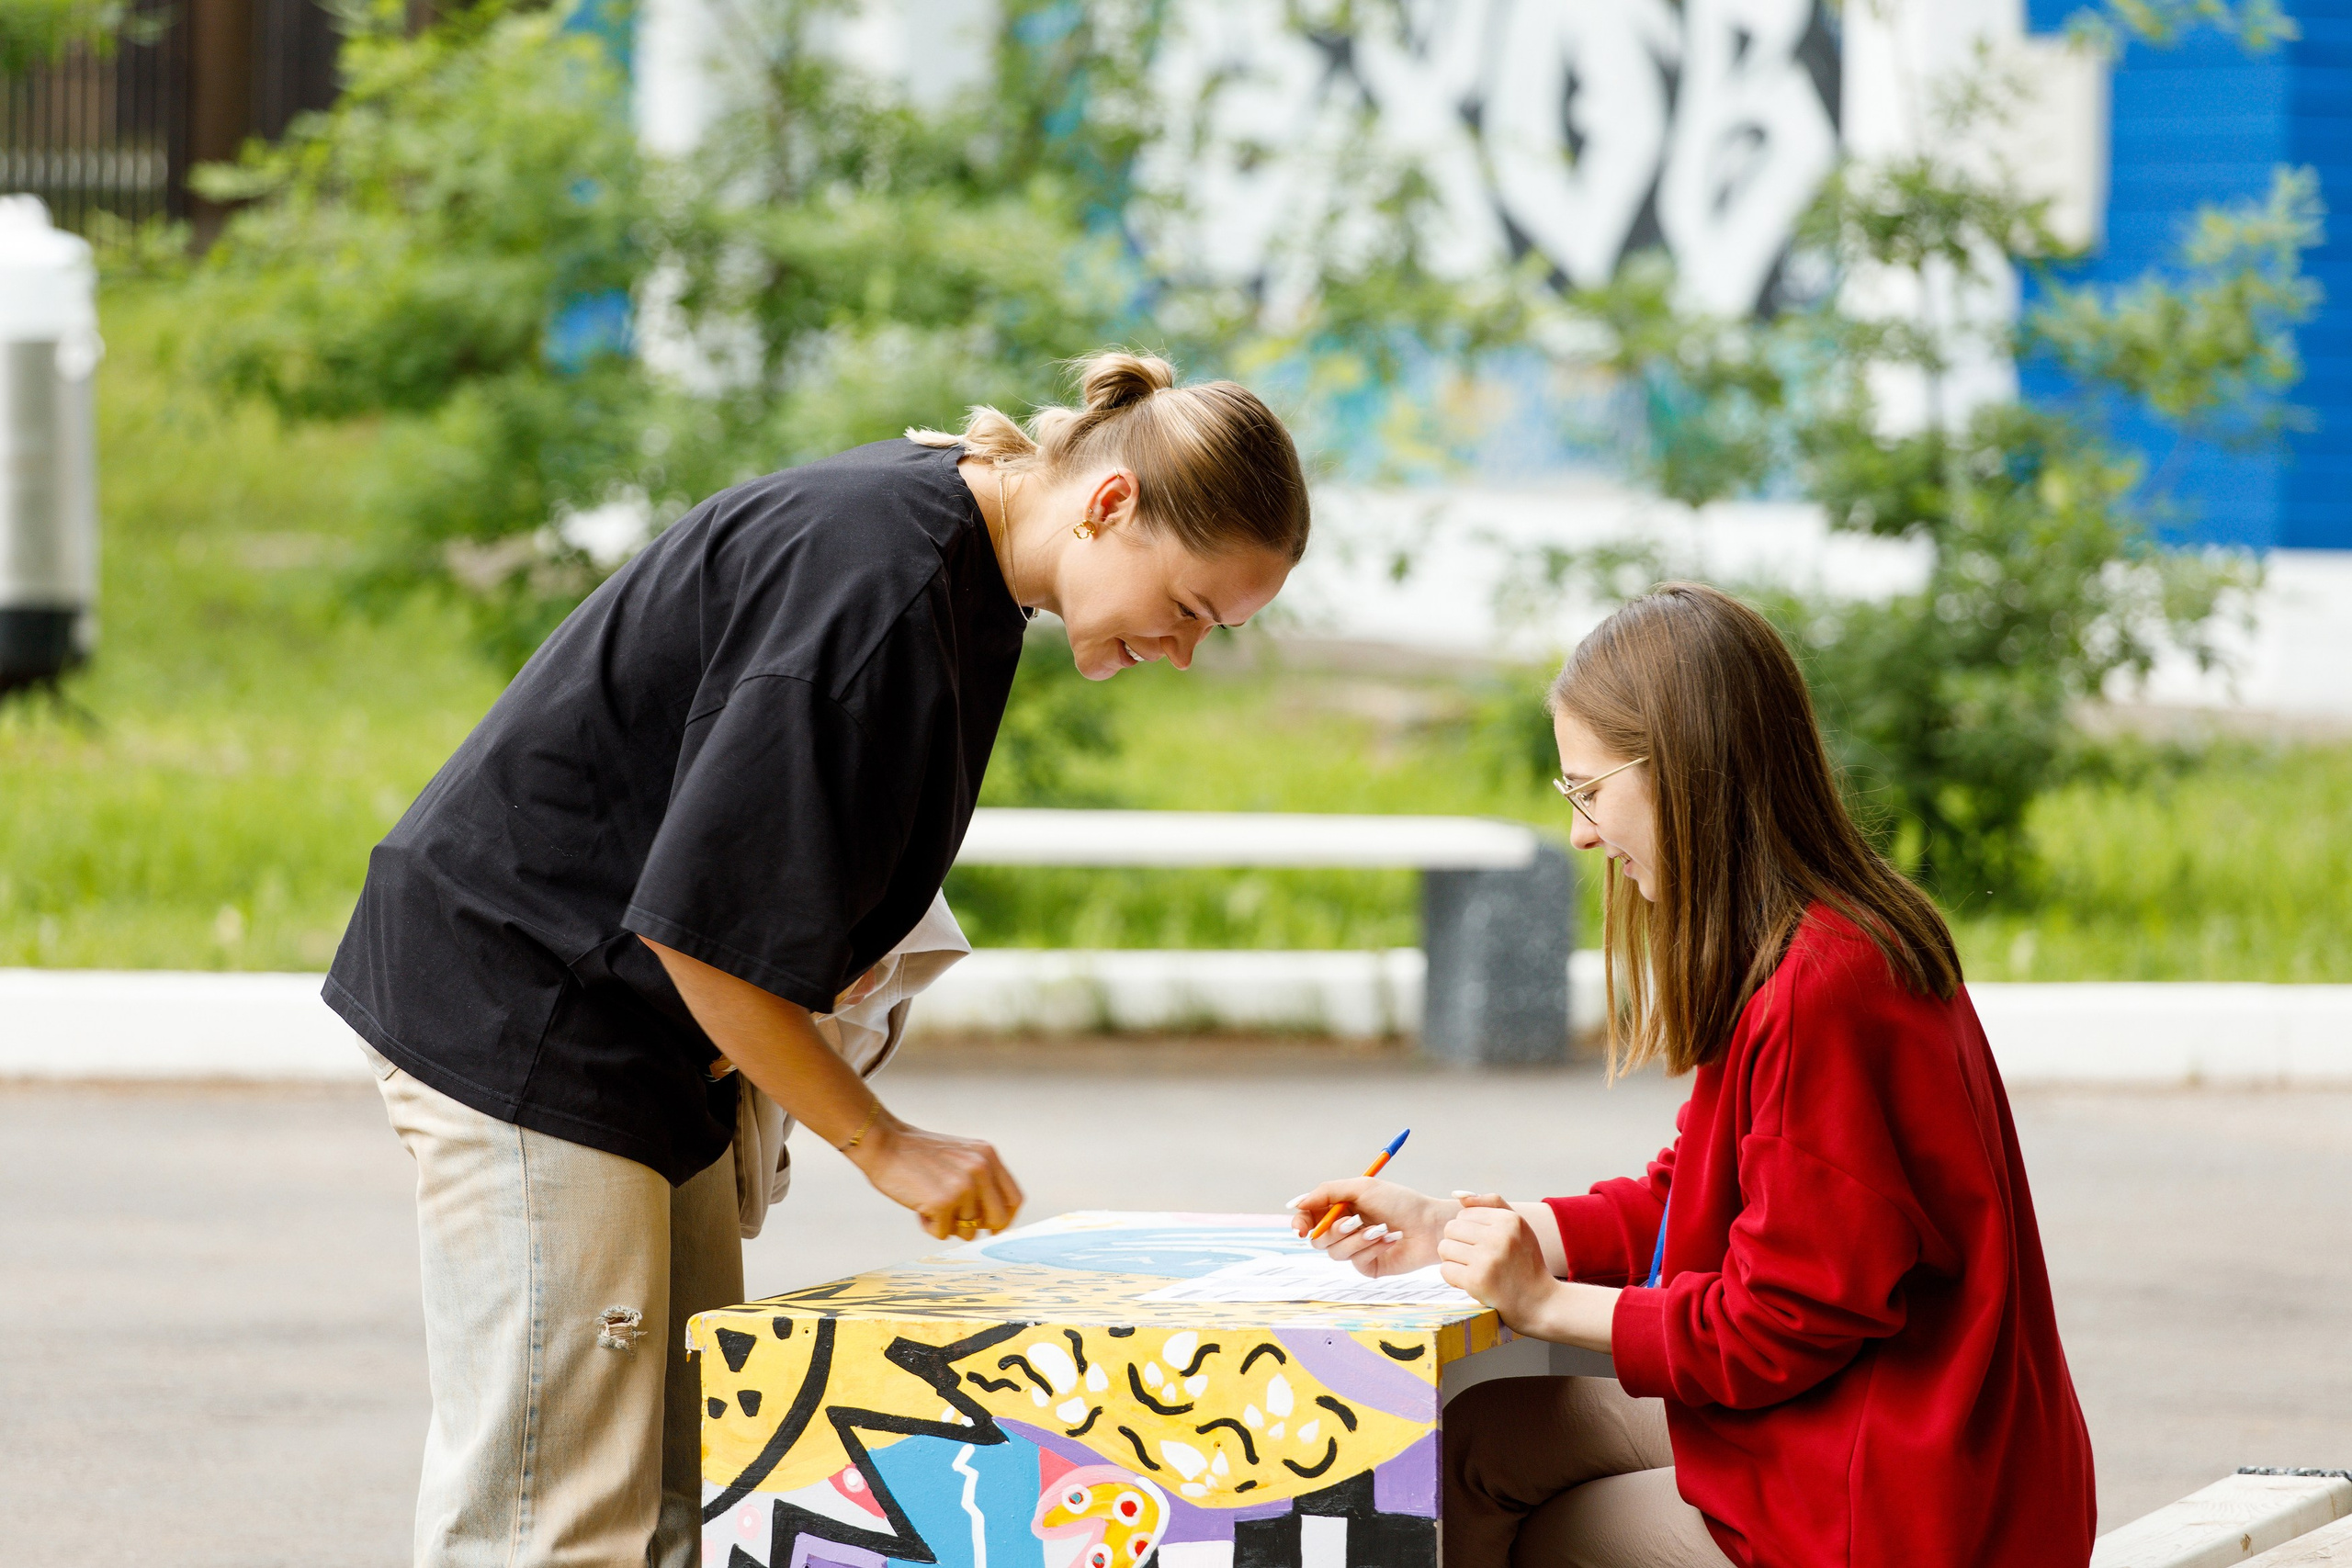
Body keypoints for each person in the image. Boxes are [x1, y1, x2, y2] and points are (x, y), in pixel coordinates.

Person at [326, 350, 1311, 1568]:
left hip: (641, 1038)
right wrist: (881, 1139)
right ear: (1111, 506)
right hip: (532, 1004)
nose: (1182, 650)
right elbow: (704, 933)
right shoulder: (880, 581)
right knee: (563, 1513)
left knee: (694, 1476)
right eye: (1193, 608)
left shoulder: (969, 563)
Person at [1291, 583, 2095, 1568]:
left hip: (1901, 1495)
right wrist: (1447, 1231)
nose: (1581, 834)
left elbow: (1773, 1324)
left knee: (1549, 1537)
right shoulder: (1815, 943)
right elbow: (1690, 1201)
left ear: (1681, 770)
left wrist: (1539, 1302)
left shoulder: (1823, 986)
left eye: (1588, 791)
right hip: (1875, 1428)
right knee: (1475, 1439)